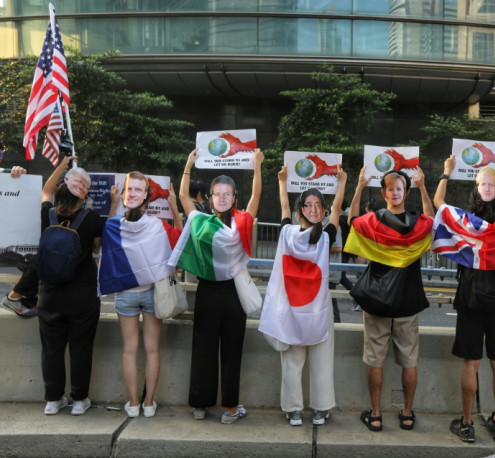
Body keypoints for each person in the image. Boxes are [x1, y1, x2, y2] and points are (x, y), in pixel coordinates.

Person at [433, 156, 495, 443]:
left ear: (479, 192)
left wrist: (446, 172)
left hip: (470, 297)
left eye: (488, 183)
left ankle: (466, 424)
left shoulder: (466, 221)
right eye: (484, 183)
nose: (486, 187)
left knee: (471, 363)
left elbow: (439, 201)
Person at [170, 147, 263, 424]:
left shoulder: (212, 221)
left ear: (235, 198)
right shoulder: (207, 220)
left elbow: (256, 196)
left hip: (214, 294)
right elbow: (184, 196)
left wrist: (257, 165)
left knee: (206, 348)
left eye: (227, 194)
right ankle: (228, 409)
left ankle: (203, 405)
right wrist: (188, 163)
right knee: (222, 351)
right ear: (210, 199)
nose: (222, 198)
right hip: (225, 293)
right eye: (217, 193)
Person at [344, 166, 434, 432]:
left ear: (401, 192)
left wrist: (359, 186)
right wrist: (424, 186)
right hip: (408, 301)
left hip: (377, 300)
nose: (395, 192)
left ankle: (375, 414)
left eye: (398, 188)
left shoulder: (374, 220)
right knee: (409, 360)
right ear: (387, 192)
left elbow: (352, 221)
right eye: (392, 189)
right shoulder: (418, 223)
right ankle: (406, 414)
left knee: (375, 358)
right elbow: (433, 220)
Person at [259, 166, 347, 427]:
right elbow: (284, 206)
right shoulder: (298, 234)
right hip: (317, 310)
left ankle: (303, 408)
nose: (313, 209)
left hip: (295, 310)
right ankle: (304, 409)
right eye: (308, 205)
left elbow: (338, 208)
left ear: (323, 210)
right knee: (305, 360)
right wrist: (282, 181)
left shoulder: (306, 236)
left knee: (302, 360)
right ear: (301, 211)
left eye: (318, 205)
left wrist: (343, 182)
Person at [100, 173, 183, 418]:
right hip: (143, 294)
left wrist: (174, 206)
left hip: (142, 295)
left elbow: (178, 240)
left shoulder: (115, 225)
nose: (133, 193)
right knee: (144, 350)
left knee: (140, 350)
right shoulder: (151, 225)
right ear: (125, 193)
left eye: (138, 189)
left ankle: (140, 403)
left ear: (146, 195)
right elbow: (179, 241)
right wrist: (174, 208)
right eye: (130, 189)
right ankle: (143, 403)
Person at [37, 156, 106, 416]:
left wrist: (63, 166)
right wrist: (111, 204)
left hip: (49, 294)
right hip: (82, 295)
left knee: (51, 349)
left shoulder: (48, 213)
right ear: (84, 192)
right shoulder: (92, 219)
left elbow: (46, 190)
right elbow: (98, 249)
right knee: (81, 348)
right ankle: (79, 400)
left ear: (64, 185)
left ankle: (53, 400)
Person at [1, 163, 40, 318]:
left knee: (36, 261)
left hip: (10, 237)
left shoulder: (4, 176)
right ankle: (16, 297)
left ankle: (24, 298)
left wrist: (19, 177)